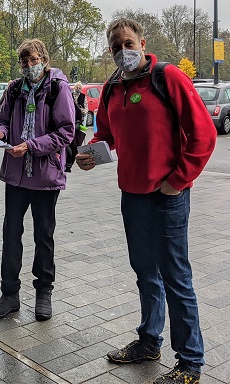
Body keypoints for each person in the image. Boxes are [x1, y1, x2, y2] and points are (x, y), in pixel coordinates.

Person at [75, 18, 216, 384]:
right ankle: (149, 341)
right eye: (116, 46)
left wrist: (178, 180)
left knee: (175, 276)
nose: (123, 51)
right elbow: (106, 134)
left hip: (168, 196)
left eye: (128, 43)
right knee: (145, 272)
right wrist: (91, 154)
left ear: (142, 42)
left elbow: (203, 134)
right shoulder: (111, 87)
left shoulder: (167, 78)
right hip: (132, 195)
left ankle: (190, 362)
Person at [0, 38, 75, 321]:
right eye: (24, 61)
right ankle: (9, 294)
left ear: (44, 60)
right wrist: (0, 133)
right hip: (15, 175)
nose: (28, 66)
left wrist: (32, 146)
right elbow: (3, 120)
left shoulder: (58, 88)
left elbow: (66, 132)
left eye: (33, 60)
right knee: (11, 234)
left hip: (45, 176)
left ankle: (43, 292)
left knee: (43, 236)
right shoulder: (14, 89)